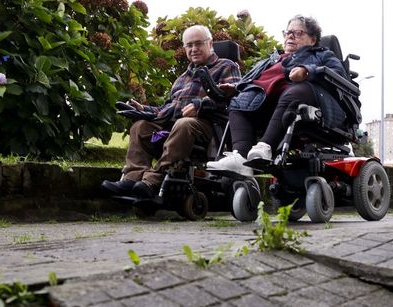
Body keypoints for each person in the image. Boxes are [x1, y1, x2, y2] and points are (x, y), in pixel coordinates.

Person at [101, 25, 241, 199]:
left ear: (210, 43)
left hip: (208, 126)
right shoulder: (182, 77)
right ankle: (132, 178)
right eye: (189, 45)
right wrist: (144, 109)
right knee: (140, 126)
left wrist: (201, 105)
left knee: (184, 123)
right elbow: (168, 108)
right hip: (175, 125)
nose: (194, 49)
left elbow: (234, 98)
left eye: (198, 43)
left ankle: (153, 180)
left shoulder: (226, 66)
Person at [206, 15, 348, 176]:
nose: (290, 36)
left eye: (298, 32)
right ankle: (240, 157)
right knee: (238, 101)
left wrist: (308, 71)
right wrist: (234, 87)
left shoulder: (322, 54)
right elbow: (249, 80)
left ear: (313, 39)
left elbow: (339, 74)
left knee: (296, 90)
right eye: (287, 33)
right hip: (265, 103)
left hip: (304, 99)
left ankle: (265, 147)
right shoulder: (271, 60)